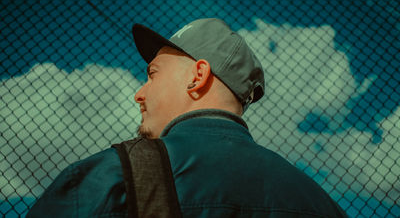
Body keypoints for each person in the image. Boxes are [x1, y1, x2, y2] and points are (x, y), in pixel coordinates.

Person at [27, 18, 348, 217]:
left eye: (152, 74)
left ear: (198, 76)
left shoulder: (113, 177)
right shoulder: (321, 201)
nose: (139, 92)